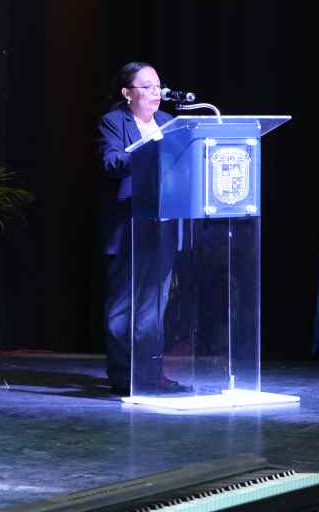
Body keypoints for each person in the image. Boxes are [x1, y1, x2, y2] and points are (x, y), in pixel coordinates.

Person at [97, 62, 185, 395]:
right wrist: (148, 151)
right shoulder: (113, 121)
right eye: (147, 86)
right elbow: (111, 163)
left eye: (158, 86)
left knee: (154, 308)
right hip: (128, 226)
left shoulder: (169, 122)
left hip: (164, 224)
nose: (156, 93)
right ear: (127, 93)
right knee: (123, 307)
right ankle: (124, 376)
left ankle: (150, 374)